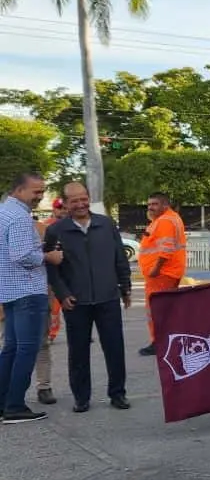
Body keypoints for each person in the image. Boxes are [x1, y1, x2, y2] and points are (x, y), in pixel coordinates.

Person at [44, 181, 132, 413]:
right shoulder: (56, 231)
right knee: (78, 352)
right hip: (76, 302)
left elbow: (119, 257)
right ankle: (81, 398)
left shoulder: (106, 224)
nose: (81, 204)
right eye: (75, 201)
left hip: (108, 298)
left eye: (84, 199)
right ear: (66, 203)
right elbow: (52, 268)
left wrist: (125, 287)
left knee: (114, 349)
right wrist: (62, 294)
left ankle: (118, 394)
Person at [1, 172, 65, 424]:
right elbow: (22, 256)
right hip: (28, 290)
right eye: (36, 191)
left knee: (11, 348)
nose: (40, 196)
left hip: (10, 290)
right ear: (19, 190)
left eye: (42, 191)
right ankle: (15, 406)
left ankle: (4, 403)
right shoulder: (18, 217)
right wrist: (49, 257)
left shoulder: (4, 212)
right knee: (28, 349)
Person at [137, 191, 187, 356]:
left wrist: (155, 269)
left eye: (155, 204)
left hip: (161, 274)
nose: (150, 207)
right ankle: (166, 342)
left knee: (157, 310)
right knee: (165, 309)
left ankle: (158, 343)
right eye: (149, 204)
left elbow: (166, 249)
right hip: (166, 273)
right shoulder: (167, 219)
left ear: (165, 205)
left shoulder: (165, 221)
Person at [32, 198, 68, 404]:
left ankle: (44, 387)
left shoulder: (43, 230)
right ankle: (8, 389)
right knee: (9, 344)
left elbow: (56, 262)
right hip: (8, 297)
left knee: (41, 343)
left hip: (40, 293)